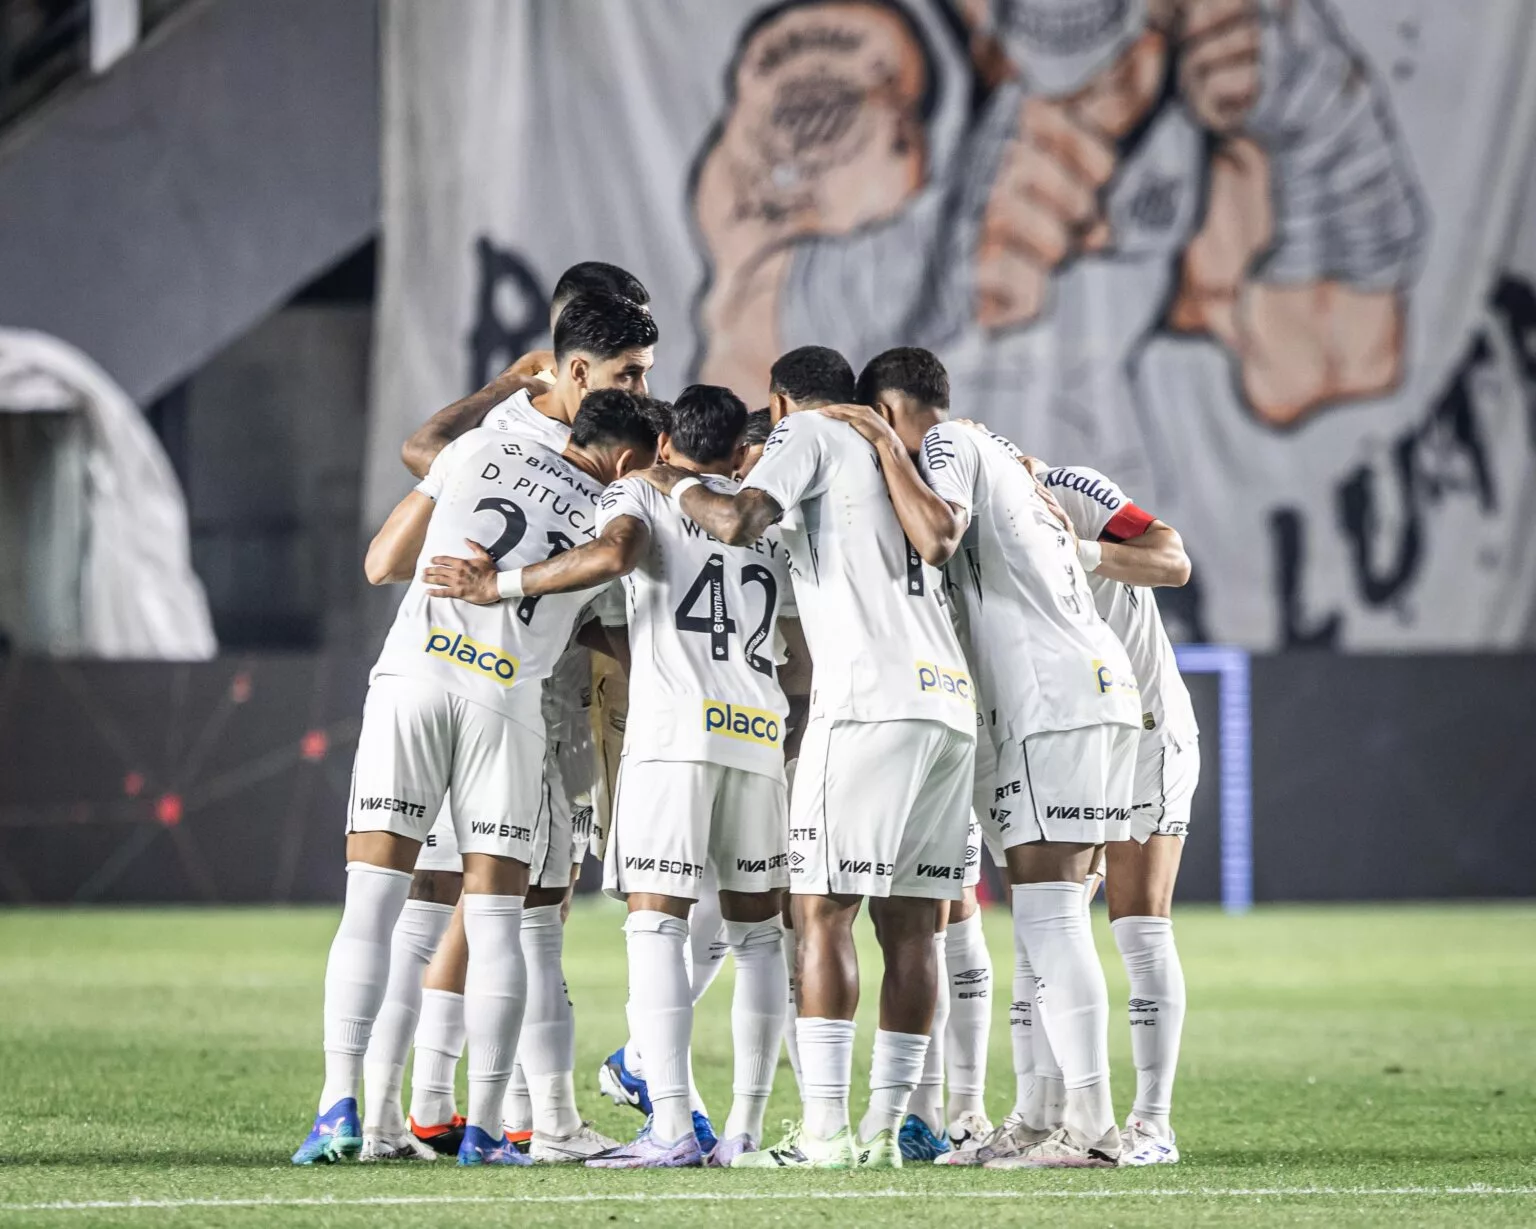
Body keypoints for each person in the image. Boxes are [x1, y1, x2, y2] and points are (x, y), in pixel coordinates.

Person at [429, 384, 811, 1168]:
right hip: (760, 733)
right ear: (742, 452)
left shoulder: (642, 488)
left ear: (666, 443)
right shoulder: (775, 517)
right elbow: (798, 651)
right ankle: (743, 1130)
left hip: (674, 736)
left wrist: (498, 584)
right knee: (759, 939)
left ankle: (670, 1123)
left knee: (657, 927)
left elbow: (616, 551)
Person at [289, 384, 658, 1167]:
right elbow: (616, 609)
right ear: (626, 459)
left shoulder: (476, 448)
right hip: (505, 708)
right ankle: (487, 1129)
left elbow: (383, 559)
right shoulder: (614, 513)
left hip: (412, 684)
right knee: (499, 927)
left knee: (370, 910)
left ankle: (337, 1109)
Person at [634, 345, 977, 1170]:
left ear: (779, 404)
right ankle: (885, 1133)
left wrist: (668, 481)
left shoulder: (810, 434)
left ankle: (824, 1130)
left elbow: (742, 517)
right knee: (914, 925)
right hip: (947, 703)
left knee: (819, 910)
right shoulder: (890, 454)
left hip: (866, 703)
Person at [818, 346, 1140, 1168]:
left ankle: (1095, 1129)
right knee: (1048, 919)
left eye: (877, 425)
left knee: (1053, 917)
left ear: (888, 410)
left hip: (1050, 700)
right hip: (1084, 691)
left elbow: (940, 531)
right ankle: (1037, 1117)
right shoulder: (1000, 454)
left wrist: (887, 448)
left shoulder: (950, 445)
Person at [1035, 460, 1198, 1165]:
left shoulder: (1069, 486)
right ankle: (1056, 1116)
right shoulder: (959, 522)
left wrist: (1082, 552)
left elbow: (1172, 559)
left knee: (1137, 925)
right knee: (1051, 923)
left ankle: (1152, 1123)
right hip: (1076, 735)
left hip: (1147, 728)